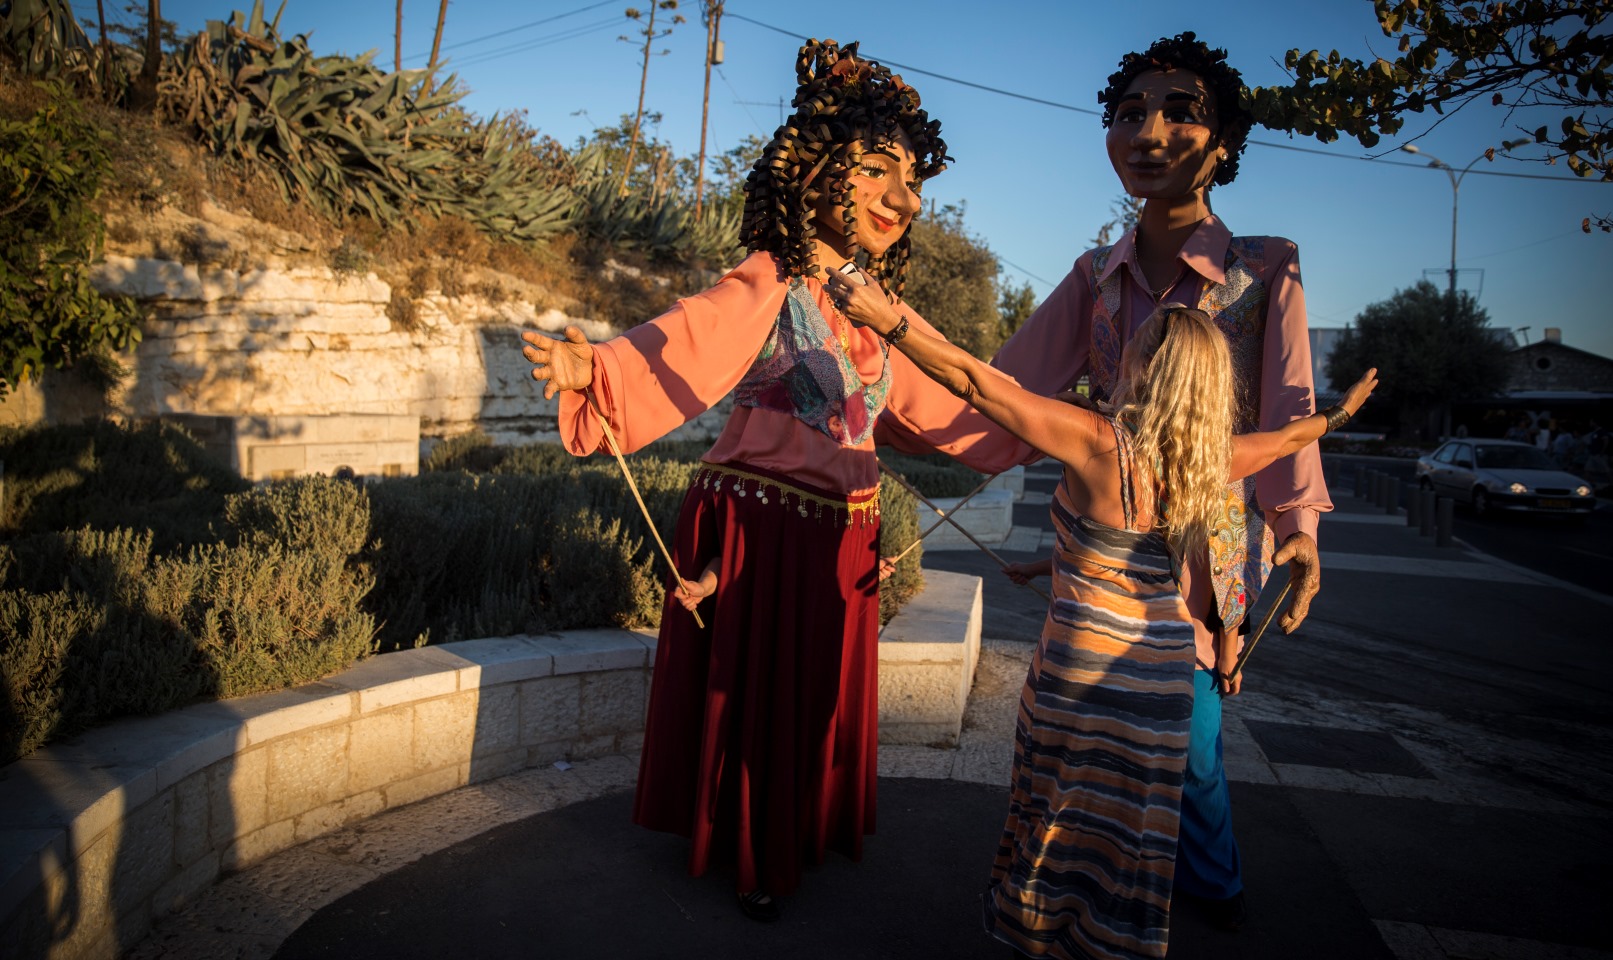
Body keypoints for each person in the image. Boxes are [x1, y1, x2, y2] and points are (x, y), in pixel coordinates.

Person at [519, 39, 1034, 922]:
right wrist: (594, 369)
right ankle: (756, 851)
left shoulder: (885, 312)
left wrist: (1047, 422)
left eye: (910, 180)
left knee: (819, 701)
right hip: (765, 527)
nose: (899, 199)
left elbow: (955, 401)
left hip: (848, 539)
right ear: (815, 169)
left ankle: (803, 825)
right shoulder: (771, 277)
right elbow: (688, 335)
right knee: (765, 700)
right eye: (875, 170)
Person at [829, 273, 1376, 958]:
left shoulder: (1092, 440)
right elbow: (1287, 438)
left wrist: (890, 321)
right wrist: (1340, 414)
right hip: (1163, 675)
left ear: (1146, 365)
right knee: (1130, 833)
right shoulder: (1216, 459)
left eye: (1135, 348)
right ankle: (1112, 943)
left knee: (1057, 817)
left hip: (1082, 667)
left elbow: (974, 383)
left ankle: (1043, 937)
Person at [984, 33, 1332, 932]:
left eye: (1181, 111)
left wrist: (1296, 525)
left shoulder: (1265, 268)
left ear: (1223, 142)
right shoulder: (1092, 275)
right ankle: (1087, 889)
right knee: (1081, 733)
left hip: (1203, 549)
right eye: (1130, 112)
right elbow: (1006, 391)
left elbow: (1288, 401)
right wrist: (867, 403)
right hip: (1103, 542)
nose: (1150, 130)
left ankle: (1212, 888)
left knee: (1191, 740)